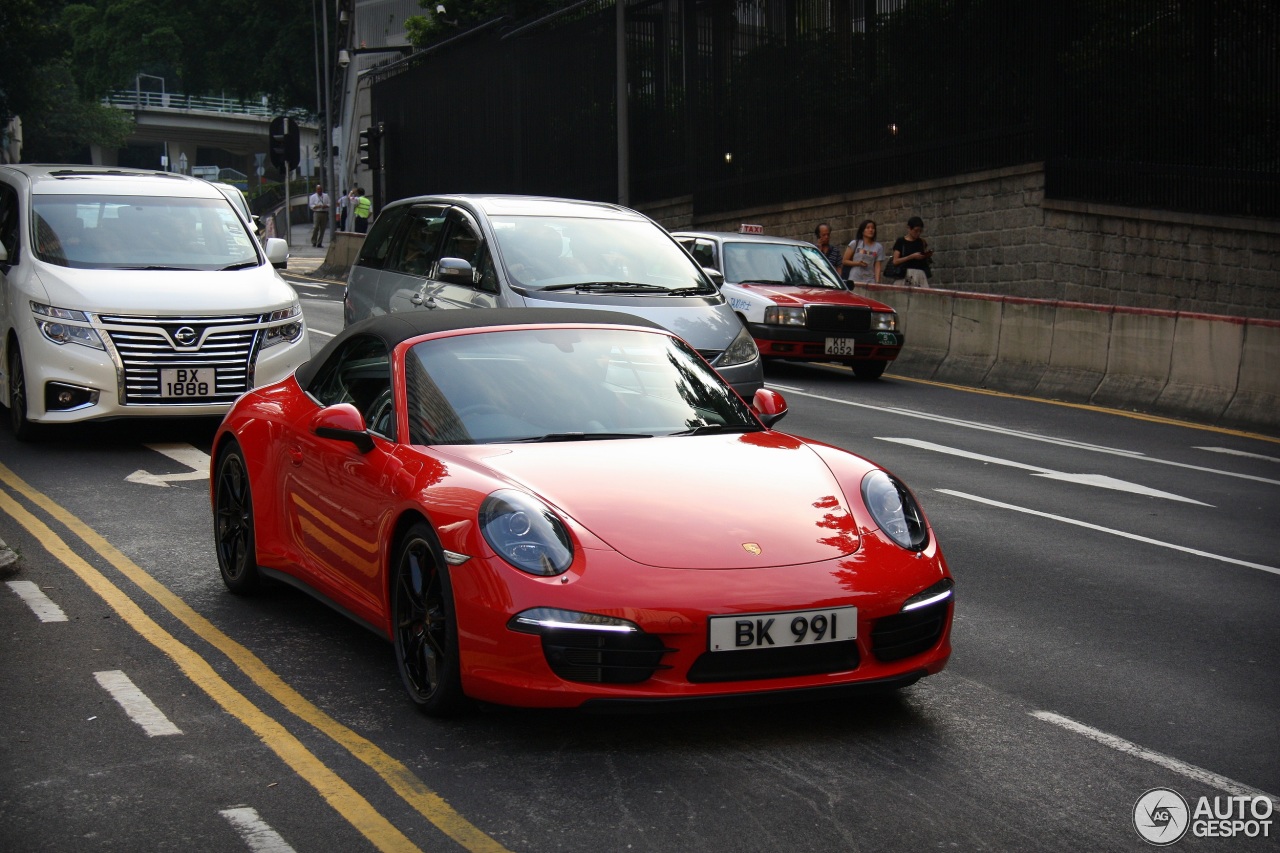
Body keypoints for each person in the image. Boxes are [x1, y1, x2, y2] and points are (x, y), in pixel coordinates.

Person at [891, 216, 934, 287]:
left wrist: (926, 255)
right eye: (916, 231)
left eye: (920, 231)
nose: (918, 233)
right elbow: (895, 261)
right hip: (905, 273)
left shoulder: (921, 241)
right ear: (909, 229)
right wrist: (911, 257)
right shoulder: (901, 241)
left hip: (920, 274)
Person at [843, 219, 885, 286]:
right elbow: (845, 261)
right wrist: (858, 263)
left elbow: (877, 266)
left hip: (870, 279)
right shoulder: (855, 243)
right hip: (855, 278)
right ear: (862, 231)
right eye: (868, 228)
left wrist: (877, 283)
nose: (871, 230)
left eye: (873, 228)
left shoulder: (878, 247)